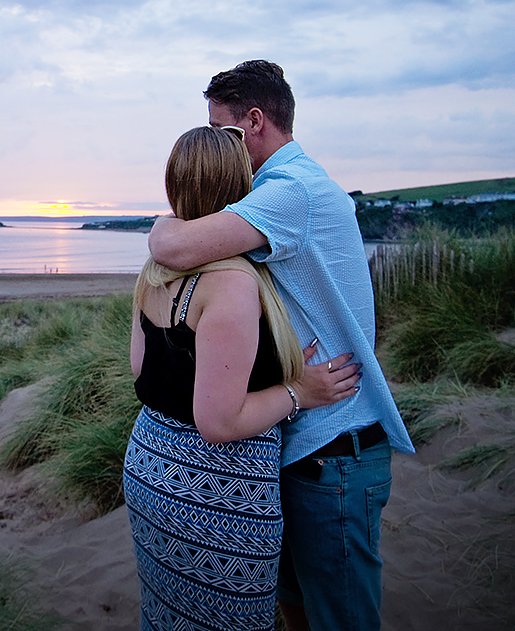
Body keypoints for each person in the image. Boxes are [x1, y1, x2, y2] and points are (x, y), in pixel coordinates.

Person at [149, 60, 415, 631]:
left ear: (253, 122)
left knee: (341, 619)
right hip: (307, 446)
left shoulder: (292, 192)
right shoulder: (279, 190)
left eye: (222, 132)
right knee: (296, 610)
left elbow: (174, 247)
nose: (217, 147)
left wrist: (158, 225)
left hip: (333, 449)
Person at [125, 125, 360, 631]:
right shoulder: (230, 281)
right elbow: (219, 420)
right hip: (213, 490)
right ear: (241, 186)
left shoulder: (156, 267)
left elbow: (142, 371)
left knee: (168, 617)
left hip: (149, 465)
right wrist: (300, 391)